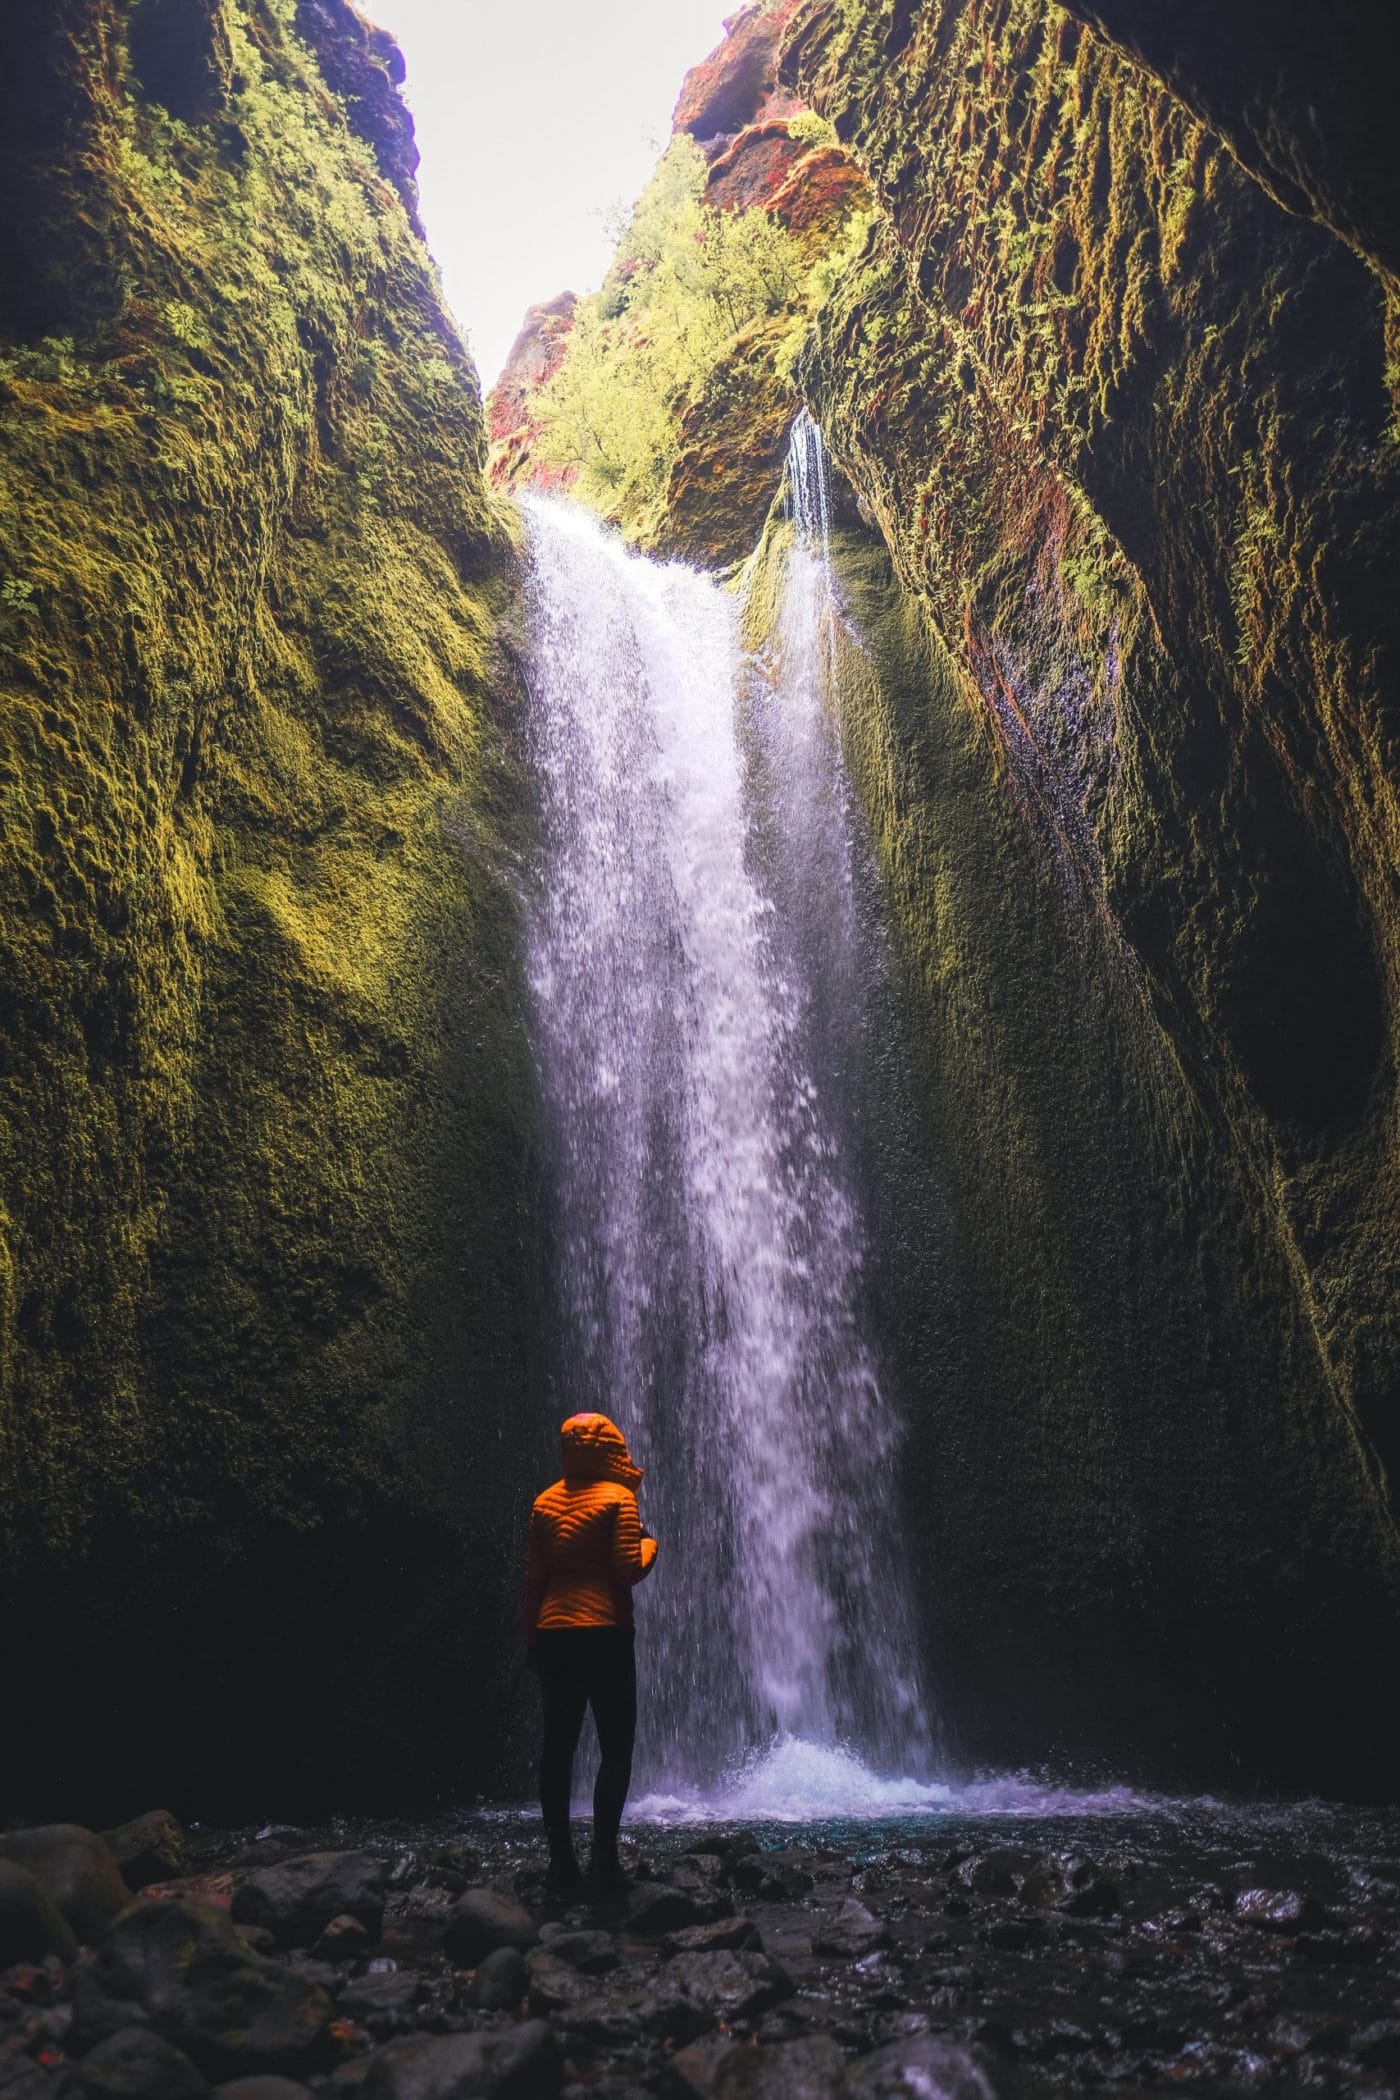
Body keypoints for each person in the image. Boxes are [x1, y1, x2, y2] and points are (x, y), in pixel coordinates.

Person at [524, 1411, 658, 1893]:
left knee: (557, 1750)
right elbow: (626, 1570)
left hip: (555, 1631)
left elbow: (533, 1581)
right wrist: (651, 1546)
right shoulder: (618, 1498)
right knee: (616, 1747)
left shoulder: (543, 1503)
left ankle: (561, 1864)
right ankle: (604, 1859)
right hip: (605, 1632)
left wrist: (531, 1638)